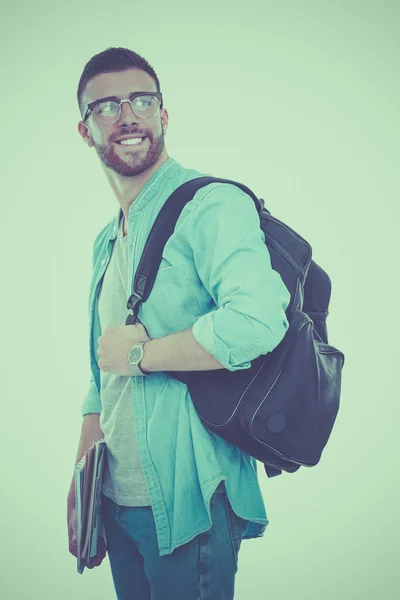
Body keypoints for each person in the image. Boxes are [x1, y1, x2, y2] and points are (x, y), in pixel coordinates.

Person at [67, 46, 291, 600]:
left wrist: (144, 355)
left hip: (191, 504)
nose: (128, 116)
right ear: (85, 129)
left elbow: (259, 321)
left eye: (142, 100)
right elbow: (101, 370)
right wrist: (82, 481)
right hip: (116, 504)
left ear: (163, 115)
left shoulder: (209, 205)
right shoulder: (105, 240)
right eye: (108, 106)